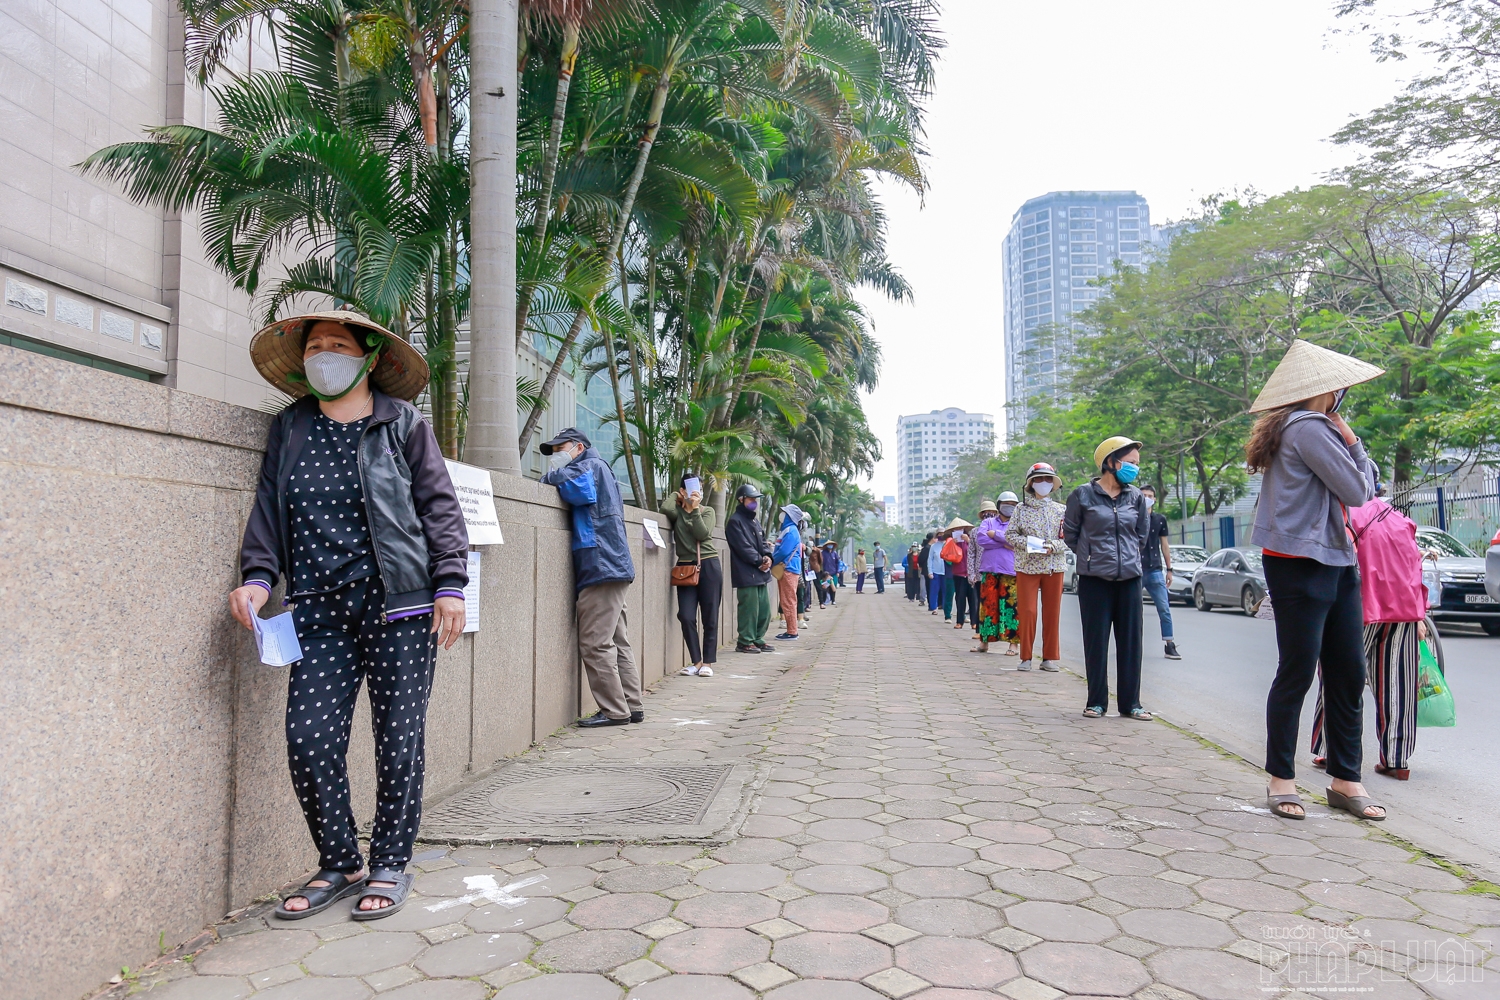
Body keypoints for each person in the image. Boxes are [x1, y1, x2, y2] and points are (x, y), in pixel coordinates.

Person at [231, 310, 468, 920]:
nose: (324, 353)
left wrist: (450, 585)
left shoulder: (402, 424)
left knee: (398, 739)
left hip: (400, 605)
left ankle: (390, 860)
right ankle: (340, 861)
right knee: (309, 739)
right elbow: (268, 512)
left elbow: (439, 509)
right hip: (317, 608)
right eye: (315, 346)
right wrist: (257, 582)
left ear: (368, 357)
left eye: (337, 344)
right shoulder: (291, 428)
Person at [1247, 340, 1386, 822]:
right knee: (1299, 671)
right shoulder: (1309, 428)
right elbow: (1359, 490)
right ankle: (1281, 779)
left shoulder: (1301, 426)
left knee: (1349, 672)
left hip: (1333, 559)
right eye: (1341, 389)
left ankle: (1346, 780)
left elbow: (1361, 488)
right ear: (1327, 392)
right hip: (1299, 560)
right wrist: (1352, 440)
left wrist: (1347, 442)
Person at [1310, 496, 1428, 781]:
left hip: (1358, 608)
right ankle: (1397, 760)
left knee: (1339, 679)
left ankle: (1329, 749)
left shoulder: (1344, 515)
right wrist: (1421, 614)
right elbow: (1415, 566)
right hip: (1404, 608)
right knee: (1398, 683)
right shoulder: (1399, 519)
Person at [540, 428, 641, 728]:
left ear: (579, 446)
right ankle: (632, 706)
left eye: (562, 447)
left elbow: (576, 488)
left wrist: (547, 478)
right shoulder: (602, 468)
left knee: (596, 643)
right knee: (618, 641)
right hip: (613, 566)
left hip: (600, 565)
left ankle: (614, 711)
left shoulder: (589, 467)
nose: (558, 452)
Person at [1065, 436, 1152, 721]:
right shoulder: (1082, 495)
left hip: (1129, 578)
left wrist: (1125, 558)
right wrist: (1092, 556)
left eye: (1136, 465)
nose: (1135, 469)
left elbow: (1141, 535)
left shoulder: (1136, 497)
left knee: (1131, 643)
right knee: (1096, 641)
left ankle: (1131, 704)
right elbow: (1071, 534)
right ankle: (1096, 702)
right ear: (1110, 462)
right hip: (1094, 579)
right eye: (1130, 463)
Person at [1006, 464, 1068, 671]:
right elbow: (1011, 535)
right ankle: (1025, 656)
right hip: (1027, 565)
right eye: (1040, 479)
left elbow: (1069, 537)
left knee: (1052, 612)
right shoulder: (1020, 510)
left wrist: (1053, 546)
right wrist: (1032, 545)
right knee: (1028, 611)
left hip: (1054, 565)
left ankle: (1049, 657)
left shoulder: (1061, 510)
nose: (1044, 483)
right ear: (1031, 483)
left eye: (1049, 480)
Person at [662, 472, 719, 676]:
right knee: (685, 615)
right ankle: (696, 661)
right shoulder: (677, 513)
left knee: (709, 616)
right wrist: (678, 495)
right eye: (693, 488)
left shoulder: (707, 511)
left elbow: (702, 534)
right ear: (684, 490)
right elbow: (665, 508)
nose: (698, 492)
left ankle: (708, 663)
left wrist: (694, 509)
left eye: (700, 489)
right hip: (685, 568)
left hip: (709, 564)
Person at [725, 484, 775, 654]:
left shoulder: (754, 520)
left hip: (761, 572)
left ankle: (757, 639)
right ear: (741, 500)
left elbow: (763, 542)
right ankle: (745, 641)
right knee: (749, 609)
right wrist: (759, 560)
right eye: (751, 499)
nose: (754, 502)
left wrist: (768, 556)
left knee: (764, 610)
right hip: (746, 573)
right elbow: (743, 547)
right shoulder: (735, 521)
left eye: (755, 499)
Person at [973, 495, 1021, 655]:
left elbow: (1016, 542)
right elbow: (982, 539)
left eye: (1013, 504)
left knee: (1011, 608)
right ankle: (984, 642)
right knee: (987, 607)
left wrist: (996, 535)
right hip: (990, 569)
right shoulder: (988, 522)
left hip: (1010, 570)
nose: (1010, 506)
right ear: (999, 505)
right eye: (1007, 504)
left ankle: (1013, 644)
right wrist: (1005, 543)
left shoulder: (1018, 523)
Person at [1139, 485, 1181, 660]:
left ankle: (1169, 644)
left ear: (1155, 499)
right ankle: (1132, 645)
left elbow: (1164, 545)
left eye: (1150, 495)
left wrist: (1169, 569)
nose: (1147, 498)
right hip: (1136, 570)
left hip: (1155, 569)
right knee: (1133, 610)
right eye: (1144, 495)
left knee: (1164, 608)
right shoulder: (1132, 516)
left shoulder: (1159, 519)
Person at [771, 503, 804, 639]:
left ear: (790, 516)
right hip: (788, 568)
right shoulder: (788, 530)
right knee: (787, 600)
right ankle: (791, 630)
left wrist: (771, 559)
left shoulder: (790, 530)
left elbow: (784, 551)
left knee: (789, 600)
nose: (781, 514)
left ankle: (792, 631)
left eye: (784, 512)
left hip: (788, 568)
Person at [943, 518, 975, 629]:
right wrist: (952, 544)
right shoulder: (950, 541)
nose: (958, 530)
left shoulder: (970, 539)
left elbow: (977, 551)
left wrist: (968, 541)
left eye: (960, 528)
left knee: (972, 598)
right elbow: (944, 554)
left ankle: (974, 621)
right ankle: (959, 621)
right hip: (958, 573)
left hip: (971, 573)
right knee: (960, 597)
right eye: (956, 529)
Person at [925, 529, 947, 615]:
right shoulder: (933, 546)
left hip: (946, 572)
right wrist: (930, 571)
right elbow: (930, 559)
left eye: (943, 534)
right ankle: (934, 607)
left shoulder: (948, 544)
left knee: (946, 591)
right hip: (935, 572)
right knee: (934, 590)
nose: (941, 535)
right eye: (940, 534)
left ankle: (946, 608)